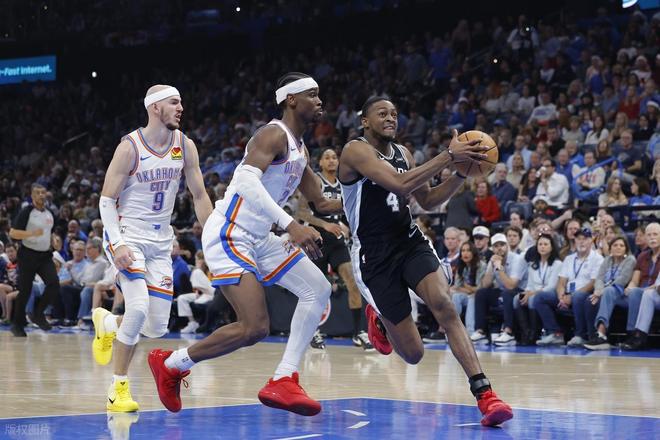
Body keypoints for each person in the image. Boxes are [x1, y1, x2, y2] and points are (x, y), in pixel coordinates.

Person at [148, 73, 343, 417]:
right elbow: (245, 182)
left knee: (318, 289)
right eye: (312, 95)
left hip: (260, 237)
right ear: (291, 99)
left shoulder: (300, 150)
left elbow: (323, 203)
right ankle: (172, 364)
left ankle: (284, 378)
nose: (320, 101)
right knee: (255, 327)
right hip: (230, 232)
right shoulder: (273, 134)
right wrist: (291, 225)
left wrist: (375, 193)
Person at [338, 95, 512, 426]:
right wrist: (449, 155)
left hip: (409, 241)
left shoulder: (403, 153)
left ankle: (486, 394)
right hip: (374, 255)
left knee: (444, 304)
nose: (390, 118)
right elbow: (399, 183)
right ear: (364, 121)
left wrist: (461, 172)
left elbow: (429, 200)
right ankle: (380, 317)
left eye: (394, 114)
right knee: (414, 354)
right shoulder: (354, 150)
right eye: (382, 113)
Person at [90, 85, 213, 412]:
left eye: (181, 101)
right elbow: (106, 200)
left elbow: (200, 195)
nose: (181, 107)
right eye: (175, 102)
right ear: (155, 107)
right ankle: (118, 389)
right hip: (127, 234)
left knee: (157, 326)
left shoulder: (185, 145)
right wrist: (117, 244)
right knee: (138, 307)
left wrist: (214, 235)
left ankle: (108, 324)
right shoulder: (129, 147)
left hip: (161, 241)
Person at [295, 148, 373, 351]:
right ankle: (313, 331)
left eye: (334, 157)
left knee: (352, 282)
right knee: (316, 289)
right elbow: (301, 212)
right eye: (327, 157)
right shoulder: (315, 181)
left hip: (337, 241)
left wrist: (347, 225)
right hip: (317, 240)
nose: (331, 160)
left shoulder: (343, 183)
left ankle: (358, 332)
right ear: (320, 162)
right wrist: (325, 224)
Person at [534, 228, 604, 347]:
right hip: (567, 294)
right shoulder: (569, 258)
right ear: (574, 241)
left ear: (591, 240)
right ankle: (555, 333)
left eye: (585, 239)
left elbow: (593, 282)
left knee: (578, 296)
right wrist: (561, 297)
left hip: (586, 294)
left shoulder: (597, 259)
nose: (581, 242)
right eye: (578, 239)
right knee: (540, 297)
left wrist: (571, 296)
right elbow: (561, 281)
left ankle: (580, 335)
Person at [8, 183, 59, 337]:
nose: (41, 195)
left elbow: (50, 233)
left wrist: (55, 241)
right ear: (32, 196)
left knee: (53, 283)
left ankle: (38, 313)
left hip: (45, 256)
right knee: (25, 290)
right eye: (37, 192)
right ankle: (17, 324)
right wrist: (31, 234)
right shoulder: (27, 211)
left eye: (43, 192)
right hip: (27, 255)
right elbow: (13, 233)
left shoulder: (50, 213)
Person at [471, 233, 527, 346]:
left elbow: (511, 285)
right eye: (496, 246)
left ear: (507, 246)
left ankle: (508, 332)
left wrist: (499, 267)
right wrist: (492, 266)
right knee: (481, 293)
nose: (499, 248)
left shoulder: (517, 259)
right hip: (503, 291)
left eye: (502, 245)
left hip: (520, 291)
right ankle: (480, 331)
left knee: (507, 293)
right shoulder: (494, 260)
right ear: (492, 249)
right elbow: (485, 284)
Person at [583, 236, 637, 350]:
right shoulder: (607, 260)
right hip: (605, 293)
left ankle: (601, 335)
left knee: (609, 291)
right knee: (590, 300)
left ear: (626, 249)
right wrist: (598, 290)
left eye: (621, 245)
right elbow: (599, 278)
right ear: (610, 248)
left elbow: (622, 280)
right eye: (615, 245)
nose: (618, 247)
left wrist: (601, 292)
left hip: (623, 295)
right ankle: (593, 336)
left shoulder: (630, 260)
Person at [519, 234, 562, 345]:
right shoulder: (533, 264)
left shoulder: (557, 264)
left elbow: (551, 286)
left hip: (552, 294)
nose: (542, 247)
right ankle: (526, 333)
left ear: (551, 247)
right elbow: (530, 284)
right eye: (540, 244)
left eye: (545, 244)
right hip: (535, 293)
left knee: (535, 298)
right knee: (517, 298)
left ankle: (537, 333)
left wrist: (531, 294)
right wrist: (527, 292)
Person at [451, 241, 486, 336]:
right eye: (463, 251)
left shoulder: (481, 266)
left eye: (468, 250)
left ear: (473, 253)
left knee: (472, 298)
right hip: (467, 294)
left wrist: (466, 288)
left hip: (479, 297)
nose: (465, 253)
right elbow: (457, 286)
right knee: (456, 296)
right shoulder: (461, 266)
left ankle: (470, 332)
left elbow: (479, 289)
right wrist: (468, 289)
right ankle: (453, 330)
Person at [177, 251, 215, 334]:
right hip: (202, 293)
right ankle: (192, 323)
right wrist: (199, 293)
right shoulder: (199, 270)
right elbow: (198, 287)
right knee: (182, 298)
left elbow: (209, 288)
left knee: (196, 272)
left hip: (212, 293)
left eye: (197, 259)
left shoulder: (210, 269)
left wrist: (198, 268)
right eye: (196, 259)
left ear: (203, 260)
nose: (196, 261)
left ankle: (204, 324)